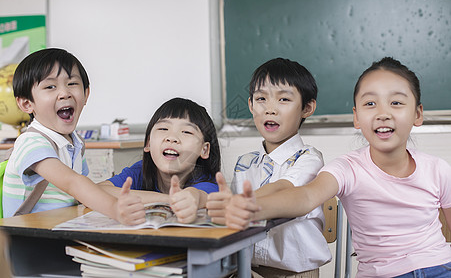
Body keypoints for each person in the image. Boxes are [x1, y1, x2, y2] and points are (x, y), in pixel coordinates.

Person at [225, 57, 451, 277]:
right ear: (356, 117)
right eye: (370, 103)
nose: (383, 114)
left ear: (418, 114)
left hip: (441, 266)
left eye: (396, 103)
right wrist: (249, 206)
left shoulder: (438, 169)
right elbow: (304, 197)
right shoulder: (347, 168)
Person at [207, 58, 331, 277]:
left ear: (307, 107)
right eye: (261, 98)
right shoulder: (245, 162)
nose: (270, 109)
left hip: (295, 273)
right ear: (251, 105)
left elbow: (283, 189)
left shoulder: (309, 158)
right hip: (247, 268)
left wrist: (240, 202)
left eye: (283, 99)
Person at [2, 48, 145, 225]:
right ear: (26, 103)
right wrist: (115, 208)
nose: (64, 93)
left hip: (62, 227)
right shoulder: (31, 141)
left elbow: (82, 190)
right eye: (50, 87)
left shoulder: (75, 143)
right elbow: (72, 182)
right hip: (25, 239)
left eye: (72, 84)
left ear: (86, 94)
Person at [99, 97, 220, 223]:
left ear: (204, 149)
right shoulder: (140, 171)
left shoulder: (209, 183)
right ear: (148, 143)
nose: (172, 138)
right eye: (163, 129)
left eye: (186, 132)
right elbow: (98, 191)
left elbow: (198, 196)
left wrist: (191, 198)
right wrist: (168, 200)